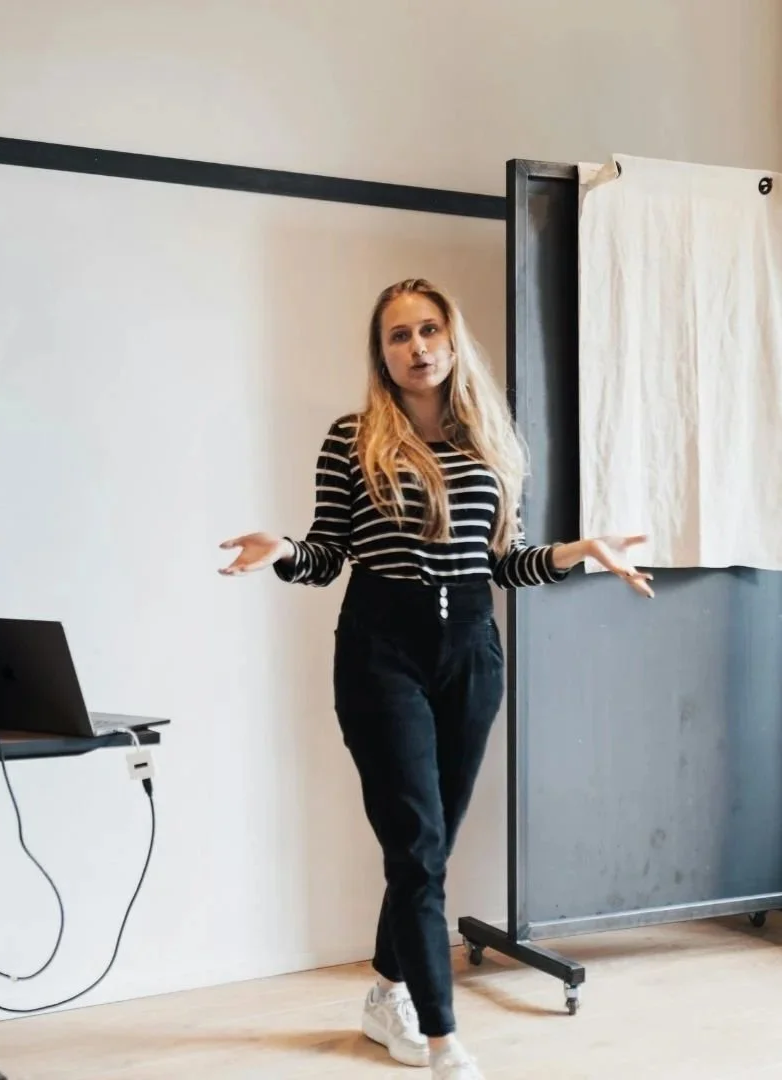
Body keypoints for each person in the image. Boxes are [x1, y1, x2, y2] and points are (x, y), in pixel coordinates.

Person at [217, 278, 652, 1078]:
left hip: (472, 653)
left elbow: (501, 563)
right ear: (380, 354)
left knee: (431, 846)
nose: (416, 347)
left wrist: (581, 552)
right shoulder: (352, 439)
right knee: (417, 848)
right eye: (397, 336)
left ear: (452, 341)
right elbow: (326, 557)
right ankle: (446, 1042)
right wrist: (282, 550)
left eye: (428, 330)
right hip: (382, 650)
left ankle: (387, 990)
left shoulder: (491, 442)